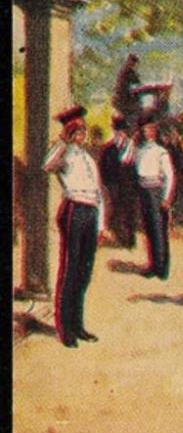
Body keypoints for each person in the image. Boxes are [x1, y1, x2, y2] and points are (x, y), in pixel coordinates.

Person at [43, 106, 103, 347]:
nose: (80, 136)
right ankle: (65, 328)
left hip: (90, 211)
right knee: (70, 269)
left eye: (82, 132)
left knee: (84, 271)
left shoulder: (88, 157)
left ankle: (77, 325)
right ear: (69, 134)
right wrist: (62, 143)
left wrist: (100, 224)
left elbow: (98, 192)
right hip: (74, 210)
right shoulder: (65, 154)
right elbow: (47, 165)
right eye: (76, 132)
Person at [133, 105, 175, 280]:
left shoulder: (161, 151)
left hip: (156, 191)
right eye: (146, 129)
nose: (149, 132)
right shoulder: (139, 150)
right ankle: (153, 264)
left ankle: (161, 268)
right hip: (144, 191)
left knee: (159, 230)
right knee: (149, 229)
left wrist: (166, 198)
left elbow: (170, 176)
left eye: (152, 129)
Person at [99, 115, 139, 249]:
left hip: (129, 187)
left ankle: (130, 240)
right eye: (118, 131)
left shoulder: (132, 147)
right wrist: (108, 184)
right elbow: (103, 168)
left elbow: (136, 168)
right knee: (116, 212)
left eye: (122, 131)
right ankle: (120, 238)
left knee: (130, 212)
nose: (120, 134)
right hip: (114, 185)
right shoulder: (108, 149)